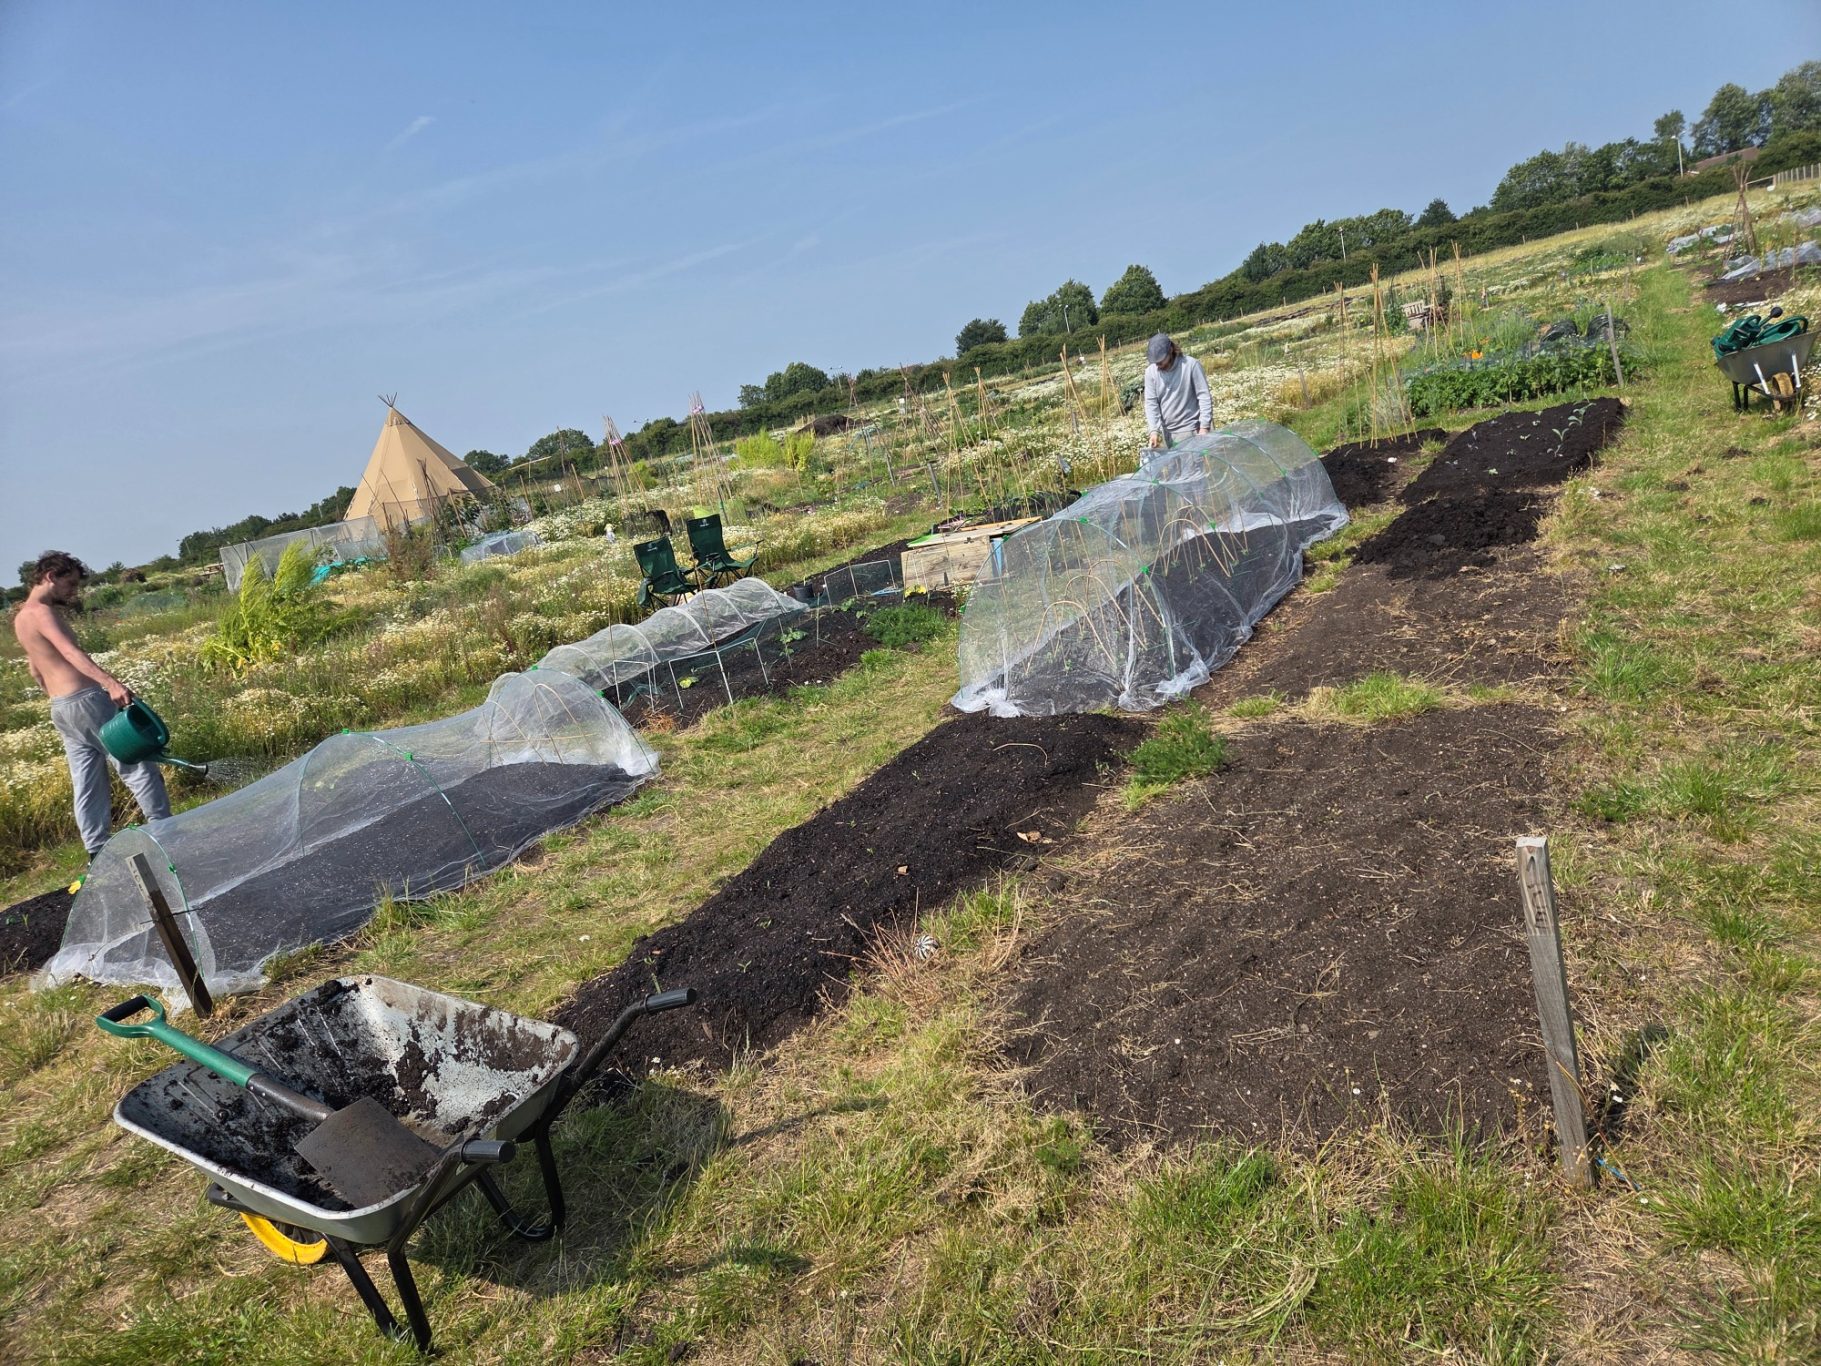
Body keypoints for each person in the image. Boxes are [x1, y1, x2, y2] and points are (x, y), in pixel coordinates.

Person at [11, 550, 169, 859]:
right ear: (50, 577)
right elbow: (70, 652)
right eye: (69, 584)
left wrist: (56, 696)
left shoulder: (21, 619)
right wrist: (110, 683)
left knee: (86, 779)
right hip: (86, 701)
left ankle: (96, 850)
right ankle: (166, 833)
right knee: (137, 764)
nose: (73, 592)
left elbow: (34, 668)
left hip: (61, 707)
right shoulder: (43, 613)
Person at [1142, 332, 1212, 449]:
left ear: (1170, 350)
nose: (1158, 365)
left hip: (1192, 430)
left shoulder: (1190, 365)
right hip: (1168, 433)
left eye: (1161, 360)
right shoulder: (1150, 372)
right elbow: (1151, 403)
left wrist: (1204, 427)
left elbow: (1204, 396)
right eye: (1155, 362)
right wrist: (1154, 431)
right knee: (1174, 468)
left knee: (1193, 467)